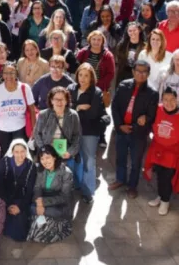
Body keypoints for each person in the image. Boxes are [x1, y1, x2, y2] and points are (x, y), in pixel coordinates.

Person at [109, 60, 158, 199]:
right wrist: (119, 126)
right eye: (138, 71)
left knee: (136, 161)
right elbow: (115, 107)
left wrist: (135, 126)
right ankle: (120, 179)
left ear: (148, 74)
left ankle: (132, 186)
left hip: (139, 134)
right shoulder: (124, 85)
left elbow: (151, 116)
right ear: (133, 71)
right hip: (121, 129)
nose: (140, 74)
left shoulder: (152, 93)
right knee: (121, 157)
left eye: (144, 72)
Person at [68, 63, 106, 203]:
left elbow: (93, 114)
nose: (82, 78)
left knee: (89, 161)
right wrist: (78, 107)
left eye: (86, 76)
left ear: (91, 78)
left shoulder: (96, 92)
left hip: (89, 131)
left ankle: (88, 191)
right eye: (80, 75)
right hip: (72, 131)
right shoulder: (71, 89)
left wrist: (75, 111)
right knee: (74, 160)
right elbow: (67, 110)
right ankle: (76, 185)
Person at [142, 88, 179, 215]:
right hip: (157, 149)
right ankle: (160, 195)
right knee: (158, 174)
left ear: (177, 99)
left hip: (172, 153)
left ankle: (165, 201)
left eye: (172, 99)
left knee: (167, 177)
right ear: (162, 100)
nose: (169, 103)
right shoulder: (157, 109)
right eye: (166, 100)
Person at [26, 145, 74, 243]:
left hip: (59, 206)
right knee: (30, 212)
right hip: (42, 204)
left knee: (39, 216)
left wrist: (42, 203)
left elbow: (64, 197)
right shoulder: (40, 169)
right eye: (42, 158)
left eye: (48, 157)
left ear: (54, 157)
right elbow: (37, 187)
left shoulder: (66, 173)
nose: (45, 161)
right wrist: (39, 203)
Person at [32, 86, 81, 177]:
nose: (59, 102)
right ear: (51, 100)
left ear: (66, 101)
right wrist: (44, 150)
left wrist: (70, 152)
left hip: (64, 152)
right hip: (47, 151)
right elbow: (37, 134)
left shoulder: (73, 115)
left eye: (62, 99)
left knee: (63, 178)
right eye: (56, 99)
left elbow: (76, 137)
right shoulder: (43, 114)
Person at [0, 62, 36, 155]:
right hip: (2, 130)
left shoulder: (25, 88)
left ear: (16, 73)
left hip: (20, 128)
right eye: (6, 73)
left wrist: (34, 130)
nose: (9, 76)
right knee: (4, 155)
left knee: (19, 155)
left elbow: (32, 111)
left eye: (12, 72)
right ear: (2, 74)